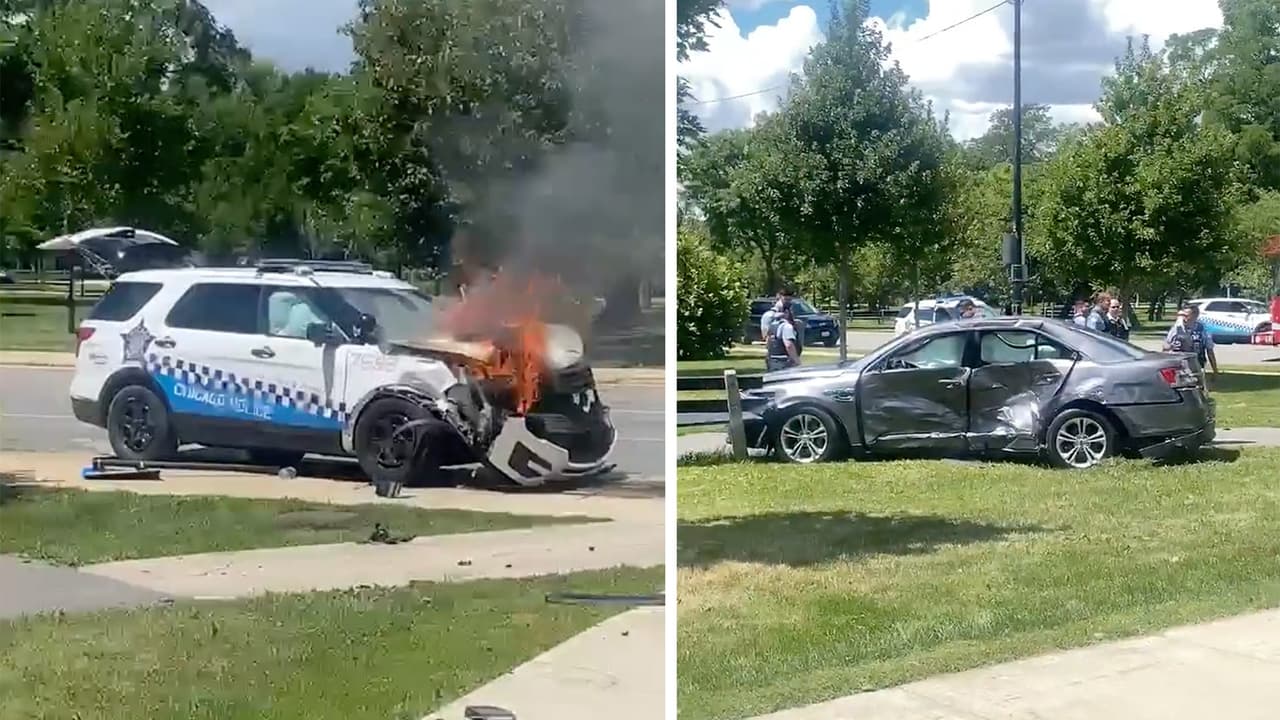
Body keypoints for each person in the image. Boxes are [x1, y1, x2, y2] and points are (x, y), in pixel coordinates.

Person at [1164, 305, 1219, 378]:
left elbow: (1210, 350)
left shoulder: (1202, 329)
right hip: (1178, 364)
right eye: (1183, 315)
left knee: (1197, 386)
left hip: (1197, 364)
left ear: (1195, 316)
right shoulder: (1176, 329)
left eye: (1187, 315)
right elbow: (1165, 347)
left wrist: (1215, 371)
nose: (1184, 318)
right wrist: (1170, 347)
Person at [766, 300, 801, 371]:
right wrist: (797, 361)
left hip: (773, 361)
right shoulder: (787, 327)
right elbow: (789, 345)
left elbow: (768, 344)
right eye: (793, 312)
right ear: (787, 312)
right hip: (784, 363)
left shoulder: (773, 325)